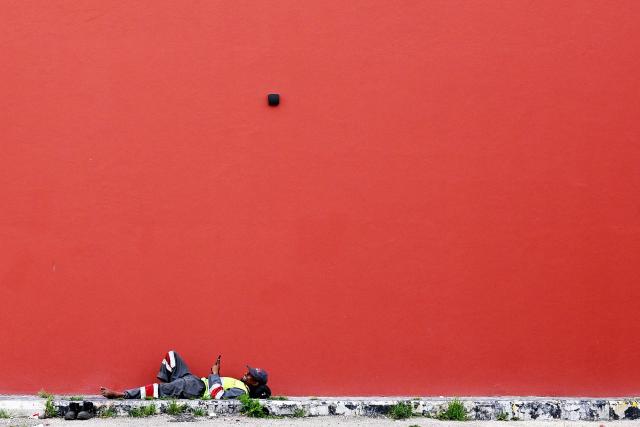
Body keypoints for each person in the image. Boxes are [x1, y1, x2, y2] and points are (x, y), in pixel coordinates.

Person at [100, 350, 270, 400]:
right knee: (172, 356)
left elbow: (217, 395)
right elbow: (217, 386)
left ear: (255, 383)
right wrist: (215, 375)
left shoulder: (242, 393)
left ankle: (123, 394)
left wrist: (215, 373)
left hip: (197, 388)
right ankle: (166, 390)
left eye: (250, 375)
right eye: (248, 372)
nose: (246, 374)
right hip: (195, 380)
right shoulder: (240, 385)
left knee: (163, 388)